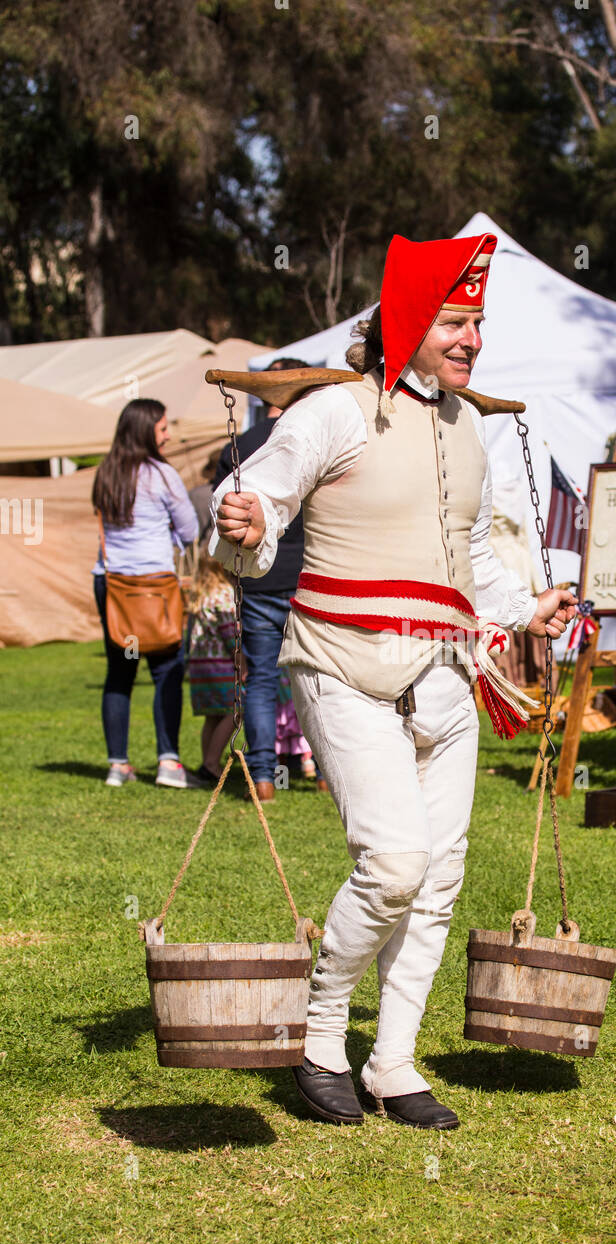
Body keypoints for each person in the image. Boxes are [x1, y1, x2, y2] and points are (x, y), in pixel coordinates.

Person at [212, 232, 575, 1129]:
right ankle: (321, 1033)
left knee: (441, 877)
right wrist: (246, 520)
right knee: (396, 862)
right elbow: (251, 518)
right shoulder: (334, 413)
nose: (472, 340)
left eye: (478, 324)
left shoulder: (469, 428)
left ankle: (395, 1062)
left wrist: (524, 607)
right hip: (341, 665)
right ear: (409, 321)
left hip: (448, 679)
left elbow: (469, 558)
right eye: (455, 321)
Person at [211, 357, 311, 802]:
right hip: (305, 577)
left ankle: (265, 778)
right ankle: (325, 771)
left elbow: (222, 518)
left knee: (263, 682)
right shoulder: (310, 441)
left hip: (259, 581)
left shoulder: (241, 442)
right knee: (318, 677)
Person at [92, 398, 202, 788]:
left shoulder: (105, 473)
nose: (168, 434)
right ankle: (168, 762)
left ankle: (117, 765)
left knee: (119, 673)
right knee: (166, 672)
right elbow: (189, 531)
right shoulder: (162, 474)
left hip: (113, 582)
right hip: (155, 586)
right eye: (162, 428)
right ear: (145, 432)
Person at [185, 549, 239, 783]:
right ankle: (211, 762)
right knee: (236, 711)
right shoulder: (224, 594)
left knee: (213, 716)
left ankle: (208, 761)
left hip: (199, 667)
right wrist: (242, 663)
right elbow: (230, 634)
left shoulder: (200, 594)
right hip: (221, 665)